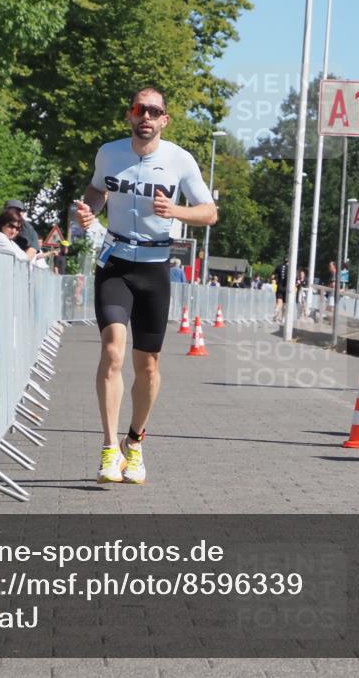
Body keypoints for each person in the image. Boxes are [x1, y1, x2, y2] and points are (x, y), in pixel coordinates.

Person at [75, 87, 217, 485]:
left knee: (148, 367)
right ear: (130, 115)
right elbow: (96, 190)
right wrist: (87, 213)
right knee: (112, 351)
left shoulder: (179, 160)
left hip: (155, 270)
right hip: (115, 263)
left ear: (164, 120)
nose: (147, 117)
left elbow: (209, 213)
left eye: (155, 111)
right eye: (140, 109)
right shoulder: (109, 153)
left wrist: (176, 211)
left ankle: (134, 443)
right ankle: (108, 447)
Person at [273, 257, 288, 322]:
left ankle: (275, 314)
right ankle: (283, 318)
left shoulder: (279, 266)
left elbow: (273, 275)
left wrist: (275, 280)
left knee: (279, 302)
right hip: (287, 288)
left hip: (279, 286)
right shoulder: (291, 268)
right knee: (285, 303)